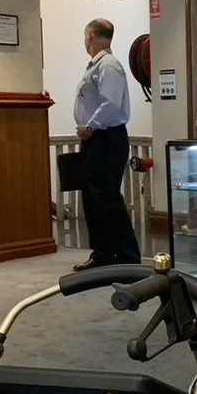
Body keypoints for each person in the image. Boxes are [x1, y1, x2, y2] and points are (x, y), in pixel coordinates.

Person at [72, 19, 141, 271]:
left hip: (106, 137)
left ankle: (127, 256)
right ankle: (102, 252)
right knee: (93, 198)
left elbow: (110, 103)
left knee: (107, 198)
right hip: (97, 137)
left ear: (90, 35)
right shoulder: (97, 65)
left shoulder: (108, 66)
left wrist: (90, 125)